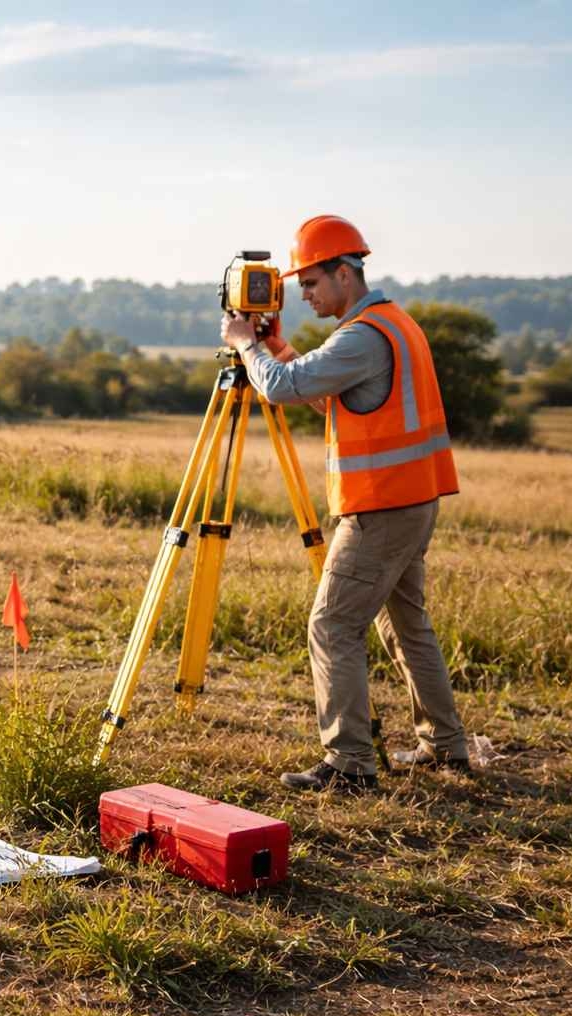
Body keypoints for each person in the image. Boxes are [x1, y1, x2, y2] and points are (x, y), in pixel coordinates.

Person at [220, 214, 468, 794]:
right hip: (412, 498)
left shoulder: (360, 336)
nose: (303, 295)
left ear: (344, 273)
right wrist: (276, 344)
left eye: (310, 282)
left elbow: (282, 388)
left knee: (332, 625)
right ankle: (446, 746)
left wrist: (247, 345)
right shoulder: (393, 324)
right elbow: (335, 399)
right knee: (407, 625)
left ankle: (350, 764)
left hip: (381, 507)